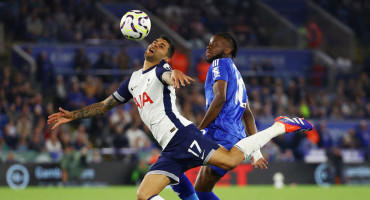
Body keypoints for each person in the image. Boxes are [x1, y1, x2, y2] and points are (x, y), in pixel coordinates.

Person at [48, 35, 312, 200]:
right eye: (154, 42)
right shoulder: (132, 80)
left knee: (230, 161)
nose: (154, 44)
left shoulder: (163, 70)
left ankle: (279, 127)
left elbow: (166, 74)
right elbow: (105, 106)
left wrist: (172, 73)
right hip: (170, 147)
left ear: (167, 56)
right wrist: (74, 115)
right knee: (144, 195)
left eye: (161, 45)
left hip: (182, 135)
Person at [171, 33, 267, 200]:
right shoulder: (237, 76)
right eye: (209, 44)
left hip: (219, 135)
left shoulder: (219, 63)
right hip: (235, 139)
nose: (209, 47)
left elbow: (220, 98)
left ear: (227, 50)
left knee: (169, 165)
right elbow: (248, 114)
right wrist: (256, 151)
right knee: (202, 190)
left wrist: (198, 129)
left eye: (215, 45)